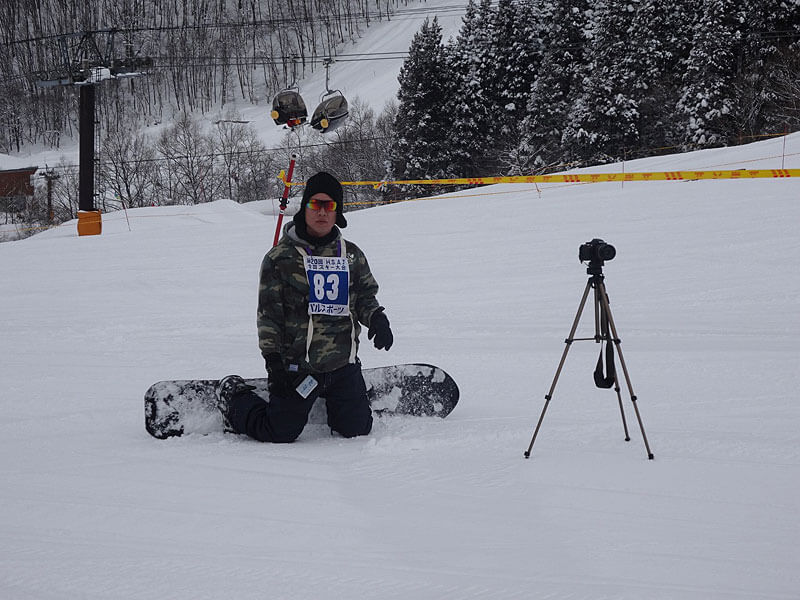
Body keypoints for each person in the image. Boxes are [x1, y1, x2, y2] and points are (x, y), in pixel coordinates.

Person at [216, 171, 393, 442]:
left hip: (342, 365)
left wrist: (377, 318)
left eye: (329, 205)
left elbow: (364, 297)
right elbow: (269, 317)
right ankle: (234, 395)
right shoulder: (279, 259)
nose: (321, 212)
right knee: (279, 432)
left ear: (338, 212)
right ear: (305, 207)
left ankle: (343, 399)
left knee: (357, 430)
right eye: (315, 204)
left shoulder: (352, 255)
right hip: (298, 368)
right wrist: (274, 363)